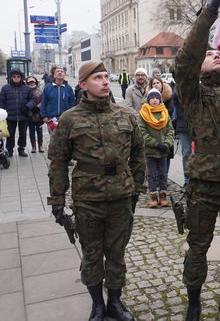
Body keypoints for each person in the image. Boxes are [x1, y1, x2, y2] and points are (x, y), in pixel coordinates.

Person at [47, 61, 146, 321]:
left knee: (116, 253)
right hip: (88, 198)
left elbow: (138, 154)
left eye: (105, 77)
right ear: (83, 85)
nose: (104, 81)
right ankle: (97, 305)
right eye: (97, 78)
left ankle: (114, 302)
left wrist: (136, 189)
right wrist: (57, 200)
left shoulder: (125, 115)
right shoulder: (70, 119)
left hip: (121, 196)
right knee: (92, 253)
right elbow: (57, 161)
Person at [174, 0, 220, 321]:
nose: (215, 54)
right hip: (203, 185)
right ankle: (194, 302)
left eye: (219, 53)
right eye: (209, 54)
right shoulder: (192, 92)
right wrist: (209, 11)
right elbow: (186, 57)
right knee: (198, 247)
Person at [138, 88, 174, 208]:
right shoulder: (143, 113)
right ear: (148, 100)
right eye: (152, 98)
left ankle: (163, 195)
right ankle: (153, 196)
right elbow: (142, 133)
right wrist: (155, 144)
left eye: (156, 98)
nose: (154, 100)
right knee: (152, 174)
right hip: (150, 151)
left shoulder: (165, 112)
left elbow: (170, 130)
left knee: (163, 174)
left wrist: (167, 143)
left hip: (163, 150)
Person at [0, 69, 34, 157]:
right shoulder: (5, 88)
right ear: (11, 78)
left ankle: (21, 148)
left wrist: (27, 106)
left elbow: (32, 100)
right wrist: (1, 113)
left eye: (18, 77)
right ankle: (10, 149)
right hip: (10, 115)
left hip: (24, 115)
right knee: (10, 133)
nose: (16, 78)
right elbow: (2, 101)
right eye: (14, 76)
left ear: (21, 78)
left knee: (23, 133)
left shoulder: (27, 88)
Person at [40, 65, 75, 133]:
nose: (60, 72)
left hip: (65, 118)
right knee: (53, 139)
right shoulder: (48, 87)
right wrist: (44, 116)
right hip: (52, 118)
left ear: (64, 75)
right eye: (57, 71)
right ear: (54, 75)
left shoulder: (68, 88)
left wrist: (72, 116)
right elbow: (44, 102)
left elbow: (72, 103)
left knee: (65, 139)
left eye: (62, 71)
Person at [172, 89, 191, 187]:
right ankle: (187, 181)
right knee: (186, 153)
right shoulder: (179, 91)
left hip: (198, 126)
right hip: (184, 126)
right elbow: (174, 96)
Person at [26, 76, 44, 153]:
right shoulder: (26, 92)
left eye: (33, 82)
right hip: (30, 115)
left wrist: (38, 107)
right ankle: (33, 146)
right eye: (30, 82)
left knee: (40, 132)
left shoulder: (40, 91)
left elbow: (43, 101)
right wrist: (30, 107)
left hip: (38, 114)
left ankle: (40, 146)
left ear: (35, 82)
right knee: (31, 132)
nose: (31, 83)